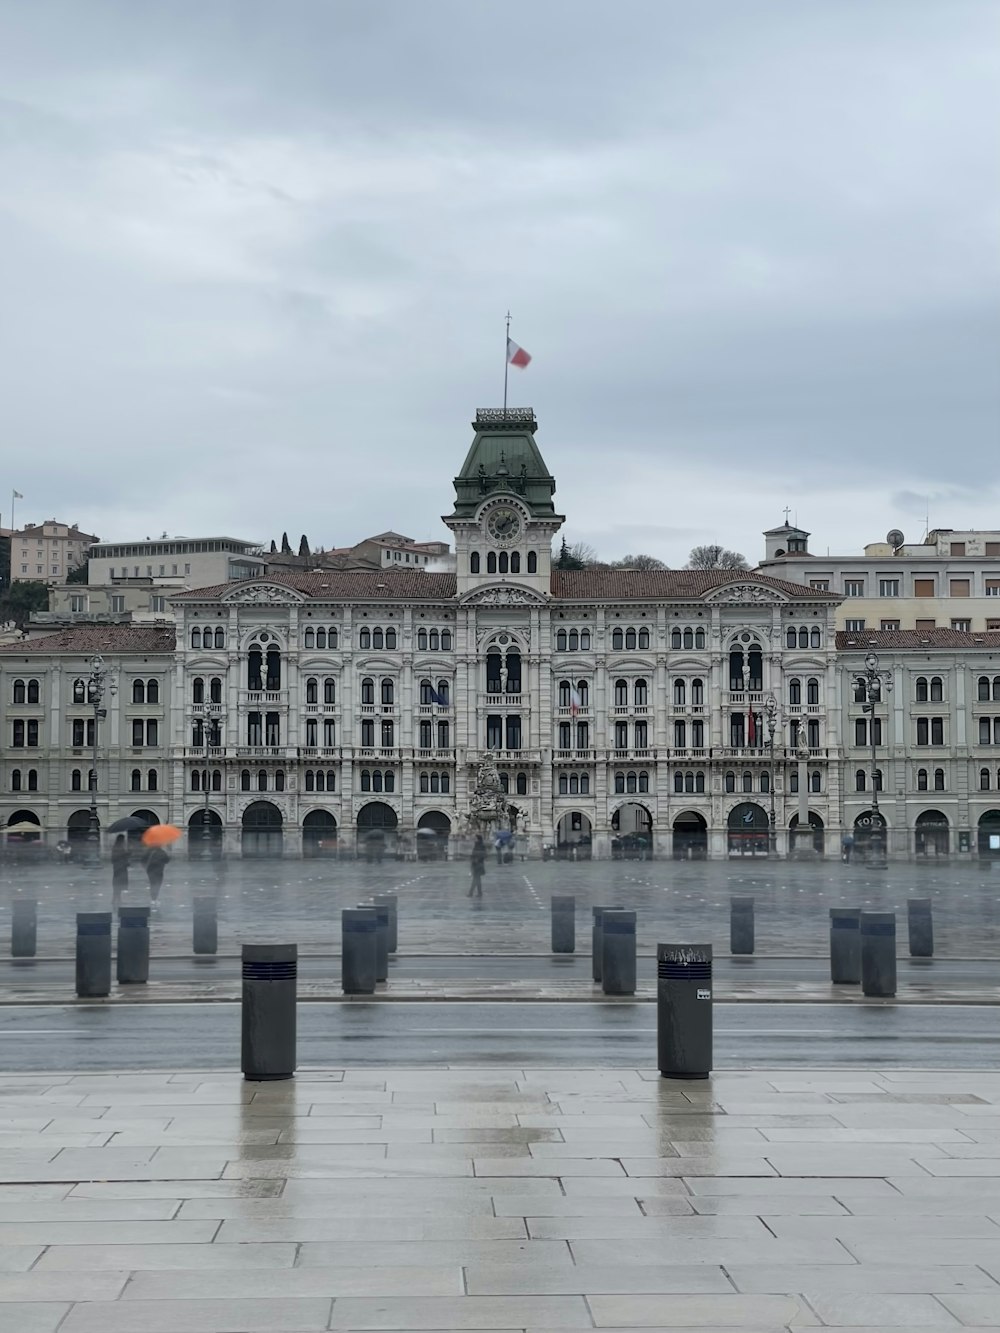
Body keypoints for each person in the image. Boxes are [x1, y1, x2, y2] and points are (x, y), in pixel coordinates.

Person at [110, 834, 129, 904]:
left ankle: (117, 898)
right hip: (120, 868)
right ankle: (115, 898)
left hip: (119, 867)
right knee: (118, 883)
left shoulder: (118, 847)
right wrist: (126, 855)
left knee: (119, 883)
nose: (124, 841)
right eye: (124, 839)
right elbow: (115, 858)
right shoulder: (118, 848)